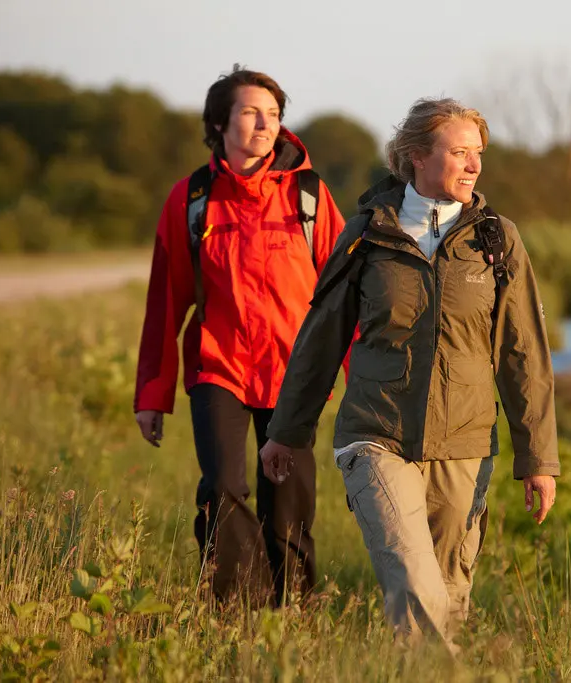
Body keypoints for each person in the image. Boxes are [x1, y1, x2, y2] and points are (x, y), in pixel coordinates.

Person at [260, 97, 560, 646]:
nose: (474, 166)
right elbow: (319, 341)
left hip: (465, 444)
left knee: (448, 599)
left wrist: (537, 457)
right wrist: (287, 431)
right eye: (459, 152)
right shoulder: (367, 234)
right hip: (376, 436)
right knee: (415, 588)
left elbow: (524, 354)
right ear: (416, 157)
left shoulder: (497, 240)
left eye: (478, 154)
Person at [132, 66, 346, 606]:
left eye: (273, 114)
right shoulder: (191, 199)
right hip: (218, 366)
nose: (264, 124)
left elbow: (347, 294)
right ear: (219, 122)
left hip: (294, 373)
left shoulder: (310, 196)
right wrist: (152, 395)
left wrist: (363, 381)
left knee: (289, 499)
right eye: (251, 112)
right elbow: (165, 304)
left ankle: (293, 612)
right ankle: (234, 616)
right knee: (223, 488)